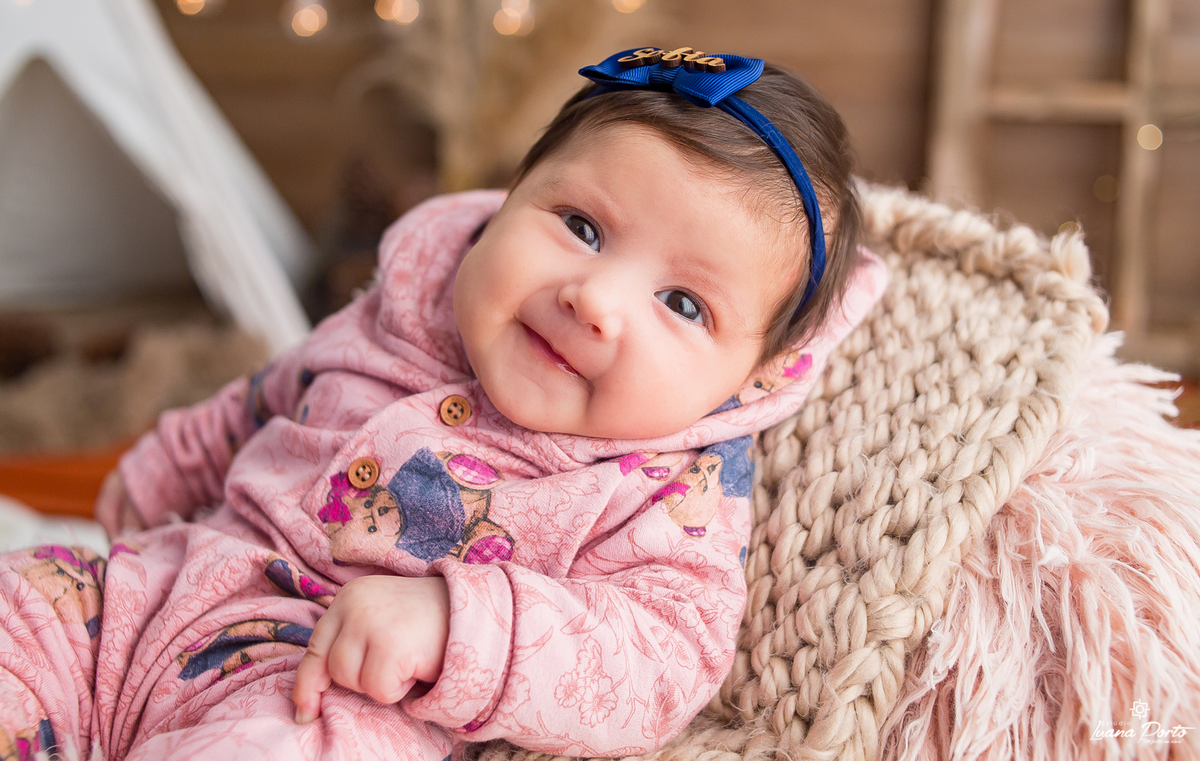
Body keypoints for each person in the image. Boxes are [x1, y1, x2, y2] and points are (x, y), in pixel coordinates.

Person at [0, 47, 888, 761]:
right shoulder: (413, 303)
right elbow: (275, 393)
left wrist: (457, 623)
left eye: (683, 304)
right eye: (580, 226)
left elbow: (657, 657)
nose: (595, 299)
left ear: (750, 378)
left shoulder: (667, 487)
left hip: (324, 689)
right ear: (505, 205)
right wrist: (168, 462)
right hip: (150, 592)